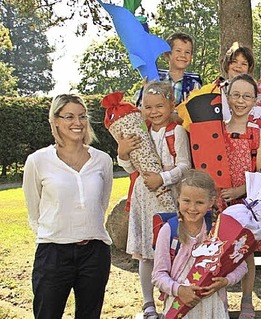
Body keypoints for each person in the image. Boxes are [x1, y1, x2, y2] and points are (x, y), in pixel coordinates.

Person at [23, 94, 113, 319]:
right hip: (53, 254)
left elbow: (100, 204)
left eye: (82, 116)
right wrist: (58, 235)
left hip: (95, 253)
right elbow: (34, 210)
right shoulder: (38, 161)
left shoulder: (102, 160)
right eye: (69, 117)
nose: (78, 123)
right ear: (54, 120)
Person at [117, 81, 192, 318]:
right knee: (146, 250)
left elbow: (184, 165)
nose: (154, 111)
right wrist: (122, 153)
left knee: (171, 247)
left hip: (169, 195)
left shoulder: (176, 131)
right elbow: (130, 167)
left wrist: (163, 178)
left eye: (159, 106)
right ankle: (148, 303)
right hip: (144, 196)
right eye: (147, 107)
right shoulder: (140, 131)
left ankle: (172, 299)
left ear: (171, 104)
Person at [153, 169, 248, 318]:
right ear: (178, 198)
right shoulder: (169, 231)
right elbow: (158, 274)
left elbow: (241, 265)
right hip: (179, 305)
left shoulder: (218, 230)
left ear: (211, 202)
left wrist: (226, 281)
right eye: (186, 201)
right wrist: (179, 290)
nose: (192, 208)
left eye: (199, 202)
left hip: (213, 307)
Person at [217, 73, 261, 319]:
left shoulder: (257, 133)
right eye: (236, 95)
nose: (240, 101)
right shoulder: (217, 130)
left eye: (247, 96)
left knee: (246, 252)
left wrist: (239, 191)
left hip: (246, 203)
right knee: (219, 251)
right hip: (219, 202)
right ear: (227, 97)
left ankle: (247, 300)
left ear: (255, 100)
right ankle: (221, 299)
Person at [219, 42, 261, 125]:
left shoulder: (257, 90)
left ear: (249, 68)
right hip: (221, 133)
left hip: (250, 135)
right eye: (234, 62)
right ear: (227, 65)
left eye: (244, 64)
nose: (238, 66)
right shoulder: (217, 90)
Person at [135, 32, 202, 107]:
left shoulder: (194, 85)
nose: (183, 55)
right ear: (168, 55)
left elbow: (197, 113)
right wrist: (146, 92)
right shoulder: (155, 79)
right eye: (178, 51)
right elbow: (141, 108)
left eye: (187, 52)